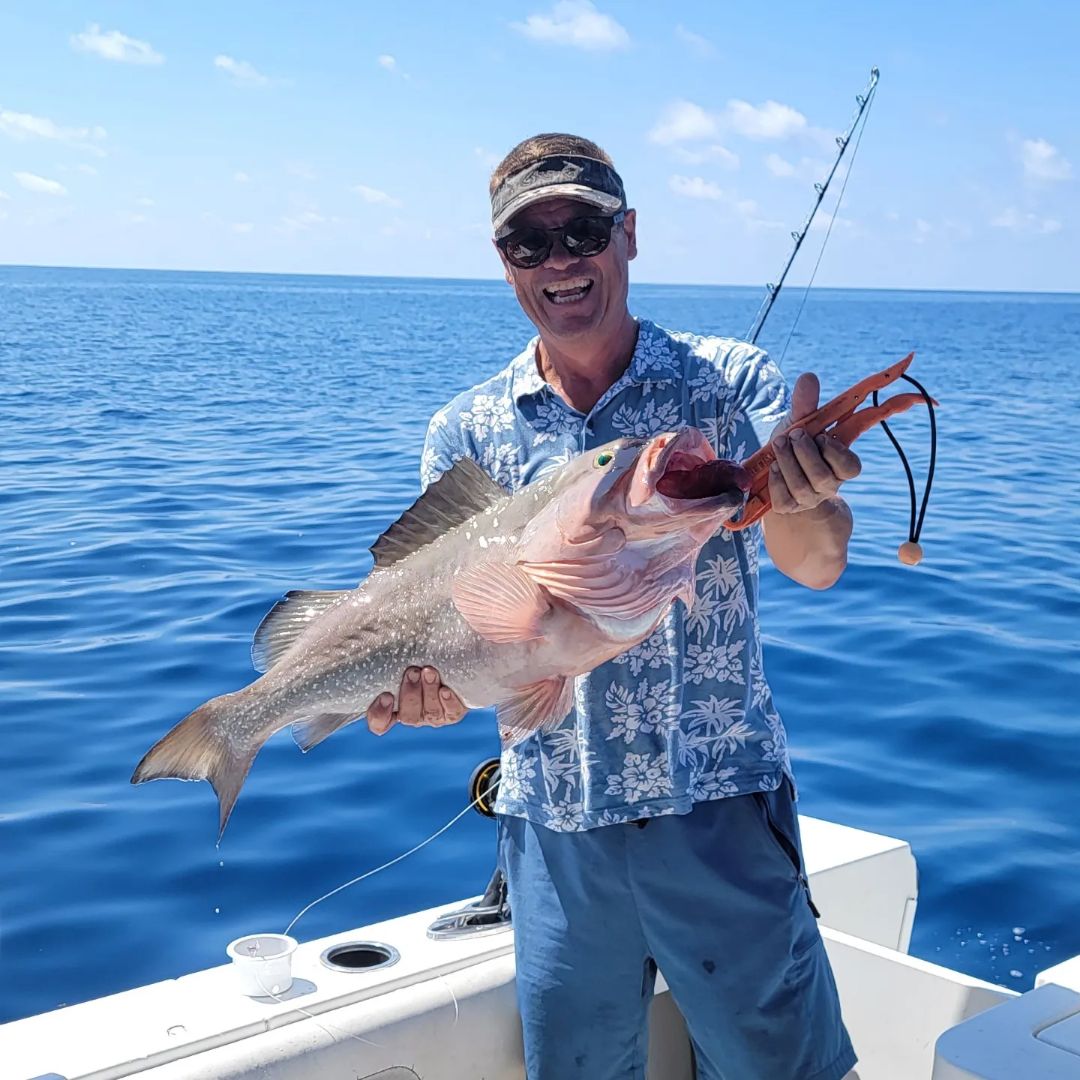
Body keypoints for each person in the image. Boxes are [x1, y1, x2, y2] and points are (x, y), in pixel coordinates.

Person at [365, 134, 862, 1080]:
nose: (561, 262)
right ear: (503, 262)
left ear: (627, 235)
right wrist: (427, 698)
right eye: (529, 243)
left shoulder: (729, 385)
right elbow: (440, 634)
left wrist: (801, 496)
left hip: (717, 806)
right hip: (552, 822)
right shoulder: (465, 433)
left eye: (583, 230)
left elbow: (818, 562)